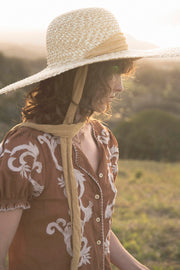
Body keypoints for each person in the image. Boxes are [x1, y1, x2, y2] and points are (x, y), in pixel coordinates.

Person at [0, 7, 179, 270]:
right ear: (79, 76)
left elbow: (96, 228)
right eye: (111, 72)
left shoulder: (104, 139)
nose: (119, 87)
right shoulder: (24, 151)